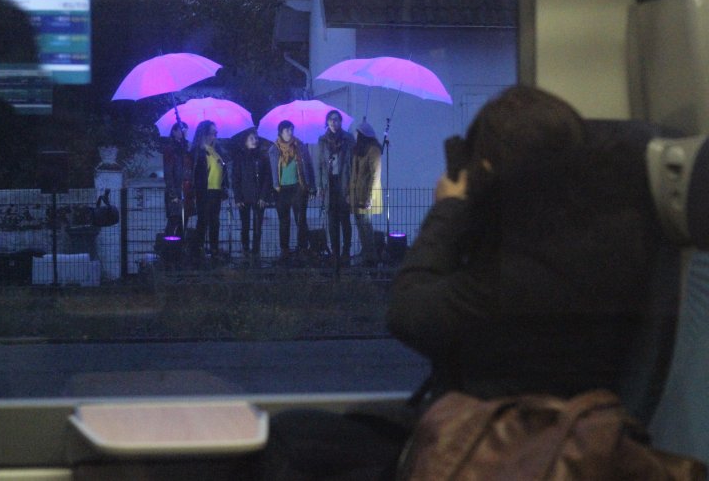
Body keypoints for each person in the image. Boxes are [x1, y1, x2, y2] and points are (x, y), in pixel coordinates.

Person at [257, 85, 665, 480]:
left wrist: (450, 209)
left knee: (290, 440)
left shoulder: (526, 269)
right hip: (513, 424)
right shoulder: (596, 235)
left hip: (501, 440)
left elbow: (409, 312)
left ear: (489, 171)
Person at [268, 120, 316, 261]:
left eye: (291, 129)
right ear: (281, 132)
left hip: (298, 187)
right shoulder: (274, 149)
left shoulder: (300, 146)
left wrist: (311, 186)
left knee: (300, 220)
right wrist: (273, 186)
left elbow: (309, 166)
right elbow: (270, 170)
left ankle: (302, 248)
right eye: (287, 130)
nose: (290, 132)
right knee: (284, 221)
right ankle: (284, 250)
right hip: (281, 190)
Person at [317, 110, 355, 266]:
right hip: (330, 183)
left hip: (344, 182)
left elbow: (352, 164)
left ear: (340, 122)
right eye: (331, 120)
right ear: (327, 122)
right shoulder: (322, 140)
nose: (333, 122)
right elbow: (320, 164)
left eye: (336, 119)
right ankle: (335, 252)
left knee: (345, 219)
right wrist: (320, 185)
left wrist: (351, 188)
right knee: (332, 219)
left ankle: (346, 251)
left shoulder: (348, 139)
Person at [190, 120, 228, 261]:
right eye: (213, 133)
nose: (215, 136)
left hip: (216, 191)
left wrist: (224, 186)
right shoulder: (198, 152)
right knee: (203, 221)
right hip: (204, 191)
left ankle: (214, 250)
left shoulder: (216, 151)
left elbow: (222, 169)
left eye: (216, 133)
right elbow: (195, 173)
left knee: (215, 222)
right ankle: (198, 251)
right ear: (205, 134)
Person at [232, 129, 272, 260]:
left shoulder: (262, 157)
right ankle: (245, 249)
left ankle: (256, 250)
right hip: (244, 197)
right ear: (245, 141)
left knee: (257, 226)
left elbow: (267, 178)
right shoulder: (239, 158)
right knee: (245, 225)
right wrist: (238, 197)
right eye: (251, 138)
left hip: (259, 197)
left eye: (256, 138)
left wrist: (263, 196)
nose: (255, 141)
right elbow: (236, 179)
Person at [349, 120, 382, 266]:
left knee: (366, 226)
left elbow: (375, 175)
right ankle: (366, 254)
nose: (355, 136)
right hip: (357, 194)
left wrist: (370, 197)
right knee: (361, 226)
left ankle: (371, 258)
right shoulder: (359, 150)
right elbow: (354, 174)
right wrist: (349, 193)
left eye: (357, 133)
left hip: (366, 195)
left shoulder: (373, 150)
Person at [162, 120, 193, 238]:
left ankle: (180, 244)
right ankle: (168, 246)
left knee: (184, 221)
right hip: (176, 190)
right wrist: (173, 194)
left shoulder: (186, 149)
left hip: (187, 190)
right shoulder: (171, 149)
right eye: (180, 129)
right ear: (174, 132)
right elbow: (168, 173)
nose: (183, 132)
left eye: (185, 130)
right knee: (173, 220)